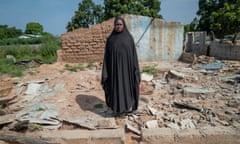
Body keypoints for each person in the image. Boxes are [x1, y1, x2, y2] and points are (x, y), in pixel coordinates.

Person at [101, 16, 141, 117]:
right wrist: (106, 71)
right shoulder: (110, 40)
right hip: (114, 71)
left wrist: (134, 69)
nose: (118, 26)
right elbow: (107, 57)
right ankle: (117, 109)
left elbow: (133, 55)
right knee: (116, 88)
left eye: (120, 24)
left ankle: (128, 108)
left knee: (127, 88)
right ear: (114, 26)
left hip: (127, 71)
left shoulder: (129, 38)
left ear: (124, 25)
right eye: (117, 24)